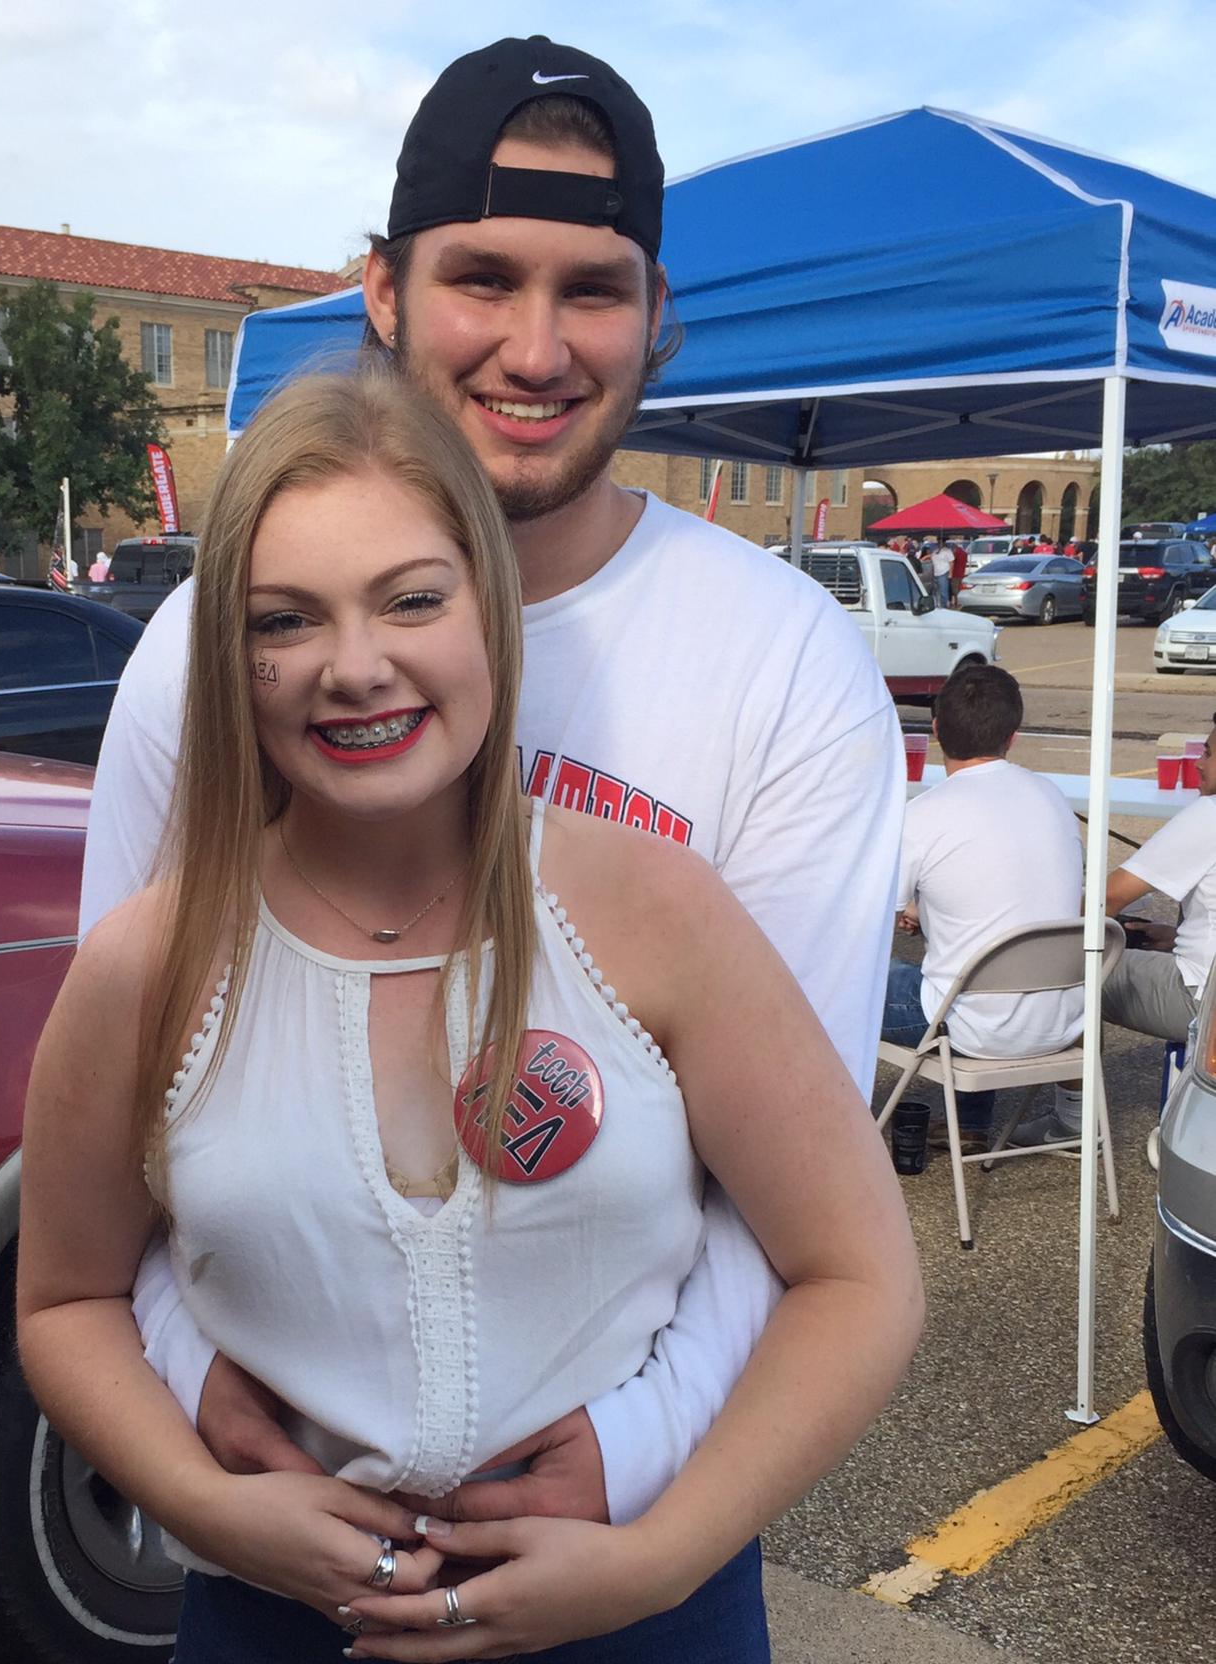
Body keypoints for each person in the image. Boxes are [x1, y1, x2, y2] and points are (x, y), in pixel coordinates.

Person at [19, 367, 922, 1664]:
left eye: (408, 598)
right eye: (285, 619)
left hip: (640, 1636)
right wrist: (207, 1505)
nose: (351, 666)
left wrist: (654, 1556)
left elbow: (858, 1275)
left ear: (488, 613)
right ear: (231, 656)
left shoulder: (649, 912)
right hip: (303, 1644)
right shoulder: (151, 965)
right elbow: (68, 1294)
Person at [79, 33, 907, 1547]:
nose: (535, 351)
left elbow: (794, 1176)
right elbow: (129, 1102)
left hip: (626, 1511)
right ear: (384, 291)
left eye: (590, 291)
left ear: (653, 316)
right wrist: (194, 1374)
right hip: (301, 1523)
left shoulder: (786, 662)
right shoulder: (202, 653)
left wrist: (636, 1454)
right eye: (483, 278)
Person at [889, 664, 1084, 1151]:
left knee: (842, 977)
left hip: (970, 1028)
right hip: (1062, 1018)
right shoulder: (1052, 797)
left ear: (935, 731)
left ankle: (827, 1126)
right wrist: (927, 910)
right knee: (969, 967)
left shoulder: (922, 816)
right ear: (1012, 737)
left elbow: (867, 921)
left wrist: (910, 909)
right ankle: (970, 1123)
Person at [1024, 717, 1216, 1144]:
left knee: (1070, 971)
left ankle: (1072, 1122)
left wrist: (1025, 929)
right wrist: (1176, 935)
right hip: (1207, 980)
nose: (1198, 764)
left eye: (1207, 753)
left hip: (1203, 1001)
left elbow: (1106, 899)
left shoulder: (1209, 815)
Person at [929, 539, 954, 607]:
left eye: (941, 542)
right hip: (935, 573)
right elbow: (932, 561)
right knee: (935, 591)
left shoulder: (947, 551)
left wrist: (950, 574)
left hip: (943, 572)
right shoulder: (935, 551)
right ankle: (936, 605)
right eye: (938, 542)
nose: (939, 543)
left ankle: (944, 606)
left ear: (943, 542)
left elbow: (951, 562)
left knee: (943, 591)